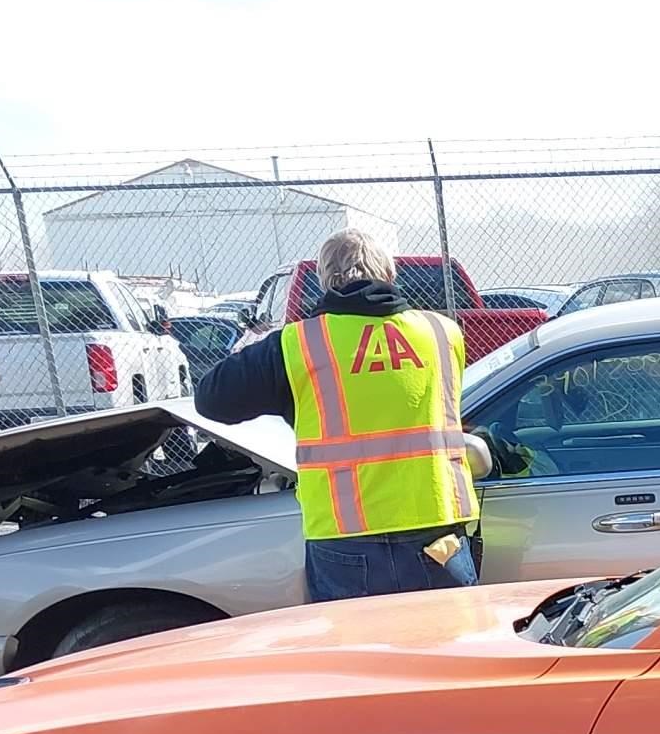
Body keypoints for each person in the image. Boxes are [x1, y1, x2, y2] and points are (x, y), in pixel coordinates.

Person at [195, 231, 485, 602]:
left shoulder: (298, 345)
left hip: (345, 542)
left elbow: (212, 399)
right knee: (445, 652)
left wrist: (267, 348)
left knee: (356, 655)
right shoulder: (441, 333)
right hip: (436, 533)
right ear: (390, 275)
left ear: (325, 281)